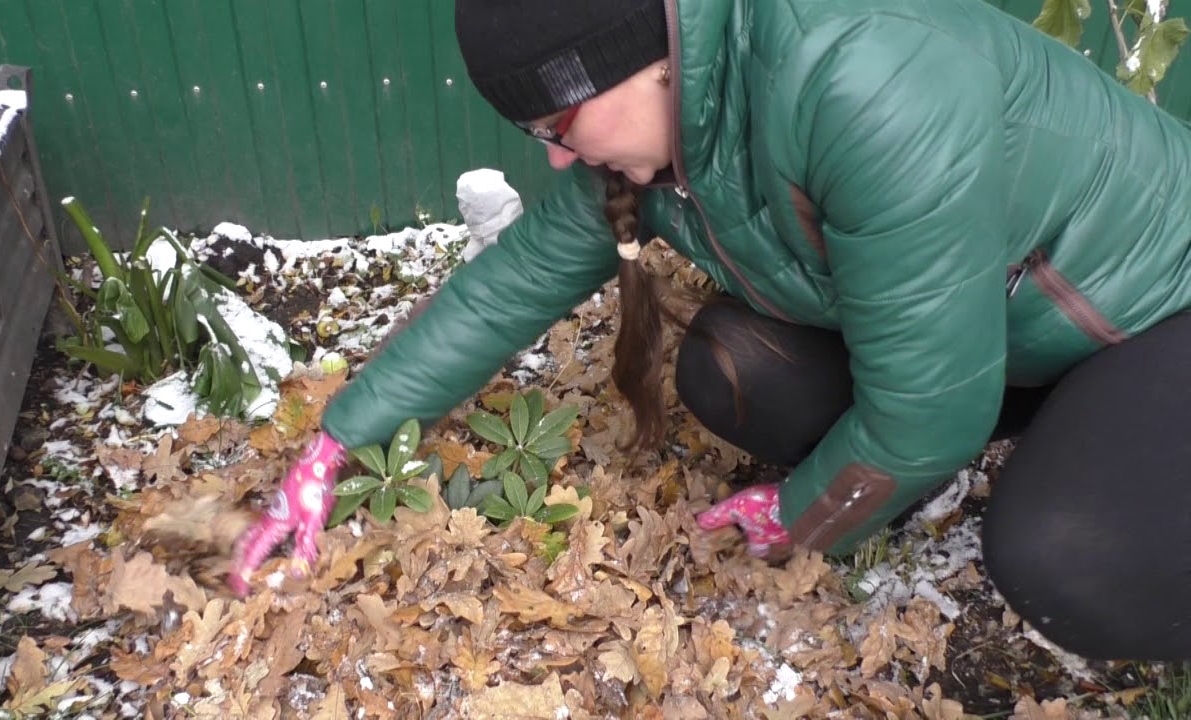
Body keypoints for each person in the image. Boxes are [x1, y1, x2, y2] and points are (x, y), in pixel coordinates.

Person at [230, 0, 1191, 661]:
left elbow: (930, 413)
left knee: (1065, 559)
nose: (558, 155)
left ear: (646, 60)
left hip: (1146, 317)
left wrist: (799, 517)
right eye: (538, 136)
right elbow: (510, 287)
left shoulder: (861, 84)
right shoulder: (671, 124)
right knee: (735, 368)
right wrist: (337, 442)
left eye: (559, 123)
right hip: (996, 333)